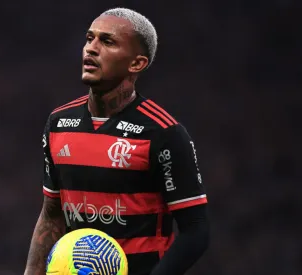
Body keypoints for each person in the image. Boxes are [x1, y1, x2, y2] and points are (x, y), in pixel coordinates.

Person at [24, 7, 209, 275]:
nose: (91, 48)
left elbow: (196, 230)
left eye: (107, 41)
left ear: (136, 63)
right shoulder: (58, 123)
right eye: (89, 39)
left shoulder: (162, 133)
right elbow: (52, 215)